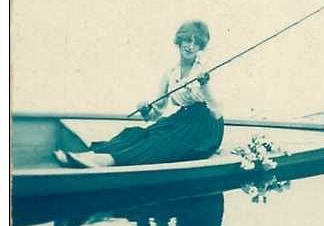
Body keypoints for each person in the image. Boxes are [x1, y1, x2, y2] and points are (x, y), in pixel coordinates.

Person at [56, 20, 224, 169]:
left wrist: (205, 85)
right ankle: (90, 155)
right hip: (182, 120)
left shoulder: (204, 70)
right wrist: (146, 110)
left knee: (160, 142)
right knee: (135, 134)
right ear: (179, 41)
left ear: (200, 47)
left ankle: (107, 160)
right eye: (187, 40)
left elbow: (217, 112)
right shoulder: (170, 73)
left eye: (196, 43)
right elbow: (156, 113)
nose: (190, 46)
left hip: (204, 128)